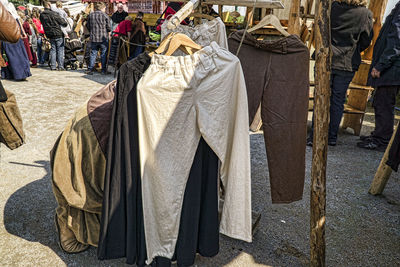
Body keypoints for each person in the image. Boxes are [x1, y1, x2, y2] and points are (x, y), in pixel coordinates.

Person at [307, 0, 373, 146]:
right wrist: (353, 49)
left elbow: (319, 29)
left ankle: (315, 136)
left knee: (321, 97)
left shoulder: (331, 7)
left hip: (325, 57)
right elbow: (366, 40)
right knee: (337, 101)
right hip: (347, 62)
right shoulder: (365, 14)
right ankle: (331, 137)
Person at [357, 2, 400, 151]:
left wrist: (381, 65)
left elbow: (396, 40)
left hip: (392, 68)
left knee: (384, 103)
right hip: (392, 66)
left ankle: (381, 139)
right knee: (381, 102)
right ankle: (379, 135)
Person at [40, 0, 67, 71]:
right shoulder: (54, 13)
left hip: (50, 34)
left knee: (53, 50)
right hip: (58, 33)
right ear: (49, 4)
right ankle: (60, 66)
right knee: (60, 50)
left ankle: (53, 66)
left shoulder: (42, 15)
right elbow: (64, 23)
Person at [86, 2, 110, 75]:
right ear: (102, 8)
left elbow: (87, 25)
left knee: (93, 53)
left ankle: (90, 69)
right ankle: (103, 70)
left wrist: (91, 31)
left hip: (94, 37)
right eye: (105, 8)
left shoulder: (91, 15)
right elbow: (109, 27)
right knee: (103, 54)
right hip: (103, 38)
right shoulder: (105, 16)